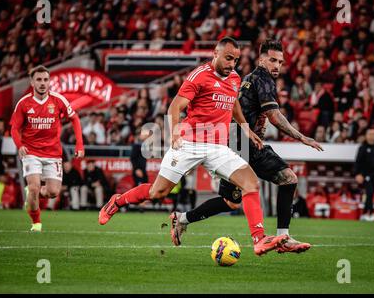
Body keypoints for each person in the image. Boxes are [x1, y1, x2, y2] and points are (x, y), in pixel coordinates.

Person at [99, 37, 289, 257]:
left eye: (235, 60)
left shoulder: (235, 78)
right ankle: (118, 200)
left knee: (251, 183)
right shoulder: (199, 76)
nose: (231, 64)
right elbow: (176, 105)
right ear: (215, 54)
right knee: (157, 192)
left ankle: (259, 240)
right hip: (190, 143)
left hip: (217, 147)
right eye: (228, 58)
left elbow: (233, 102)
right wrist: (174, 132)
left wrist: (246, 129)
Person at [169, 38, 323, 253]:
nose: (276, 66)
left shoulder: (249, 78)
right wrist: (302, 137)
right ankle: (282, 238)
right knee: (289, 179)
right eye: (272, 60)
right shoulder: (263, 79)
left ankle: (182, 219)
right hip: (244, 143)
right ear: (261, 60)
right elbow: (274, 116)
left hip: (233, 141)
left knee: (231, 202)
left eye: (280, 62)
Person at [10, 65, 84, 232]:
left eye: (45, 79)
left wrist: (79, 144)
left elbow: (75, 119)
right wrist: (20, 145)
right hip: (31, 152)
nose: (43, 83)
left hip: (53, 154)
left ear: (49, 81)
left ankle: (32, 196)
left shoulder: (58, 100)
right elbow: (14, 128)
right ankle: (36, 223)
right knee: (35, 186)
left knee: (52, 192)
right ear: (32, 82)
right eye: (39, 79)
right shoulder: (23, 103)